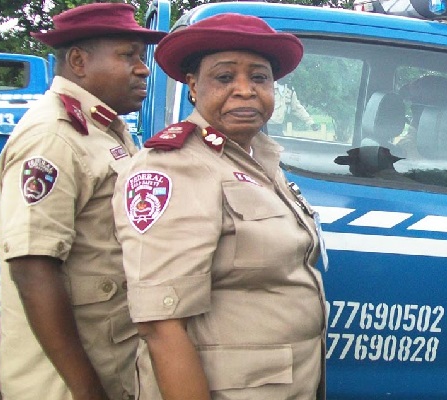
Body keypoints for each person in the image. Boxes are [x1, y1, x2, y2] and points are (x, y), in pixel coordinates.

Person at [111, 13, 327, 400]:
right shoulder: (174, 166)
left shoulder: (257, 156)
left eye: (259, 78)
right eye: (225, 78)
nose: (245, 90)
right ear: (193, 87)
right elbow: (162, 324)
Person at [0, 3, 165, 400]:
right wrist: (88, 391)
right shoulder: (53, 136)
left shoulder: (102, 129)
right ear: (78, 61)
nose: (143, 69)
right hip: (66, 384)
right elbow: (33, 267)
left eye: (142, 58)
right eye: (128, 56)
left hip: (108, 359)